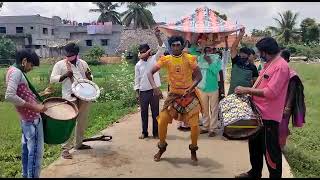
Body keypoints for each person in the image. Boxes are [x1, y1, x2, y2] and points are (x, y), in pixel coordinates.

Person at [234, 37, 290, 178]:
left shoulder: (281, 66)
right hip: (257, 114)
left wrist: (247, 90)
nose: (258, 55)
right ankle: (255, 172)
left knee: (271, 152)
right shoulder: (270, 63)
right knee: (255, 148)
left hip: (268, 117)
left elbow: (271, 93)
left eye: (260, 52)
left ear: (266, 52)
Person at [147, 35, 203, 162]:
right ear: (170, 47)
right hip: (173, 96)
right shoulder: (166, 60)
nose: (176, 47)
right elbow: (149, 72)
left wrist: (191, 87)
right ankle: (162, 147)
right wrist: (154, 87)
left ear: (182, 46)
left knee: (194, 126)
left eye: (178, 45)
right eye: (173, 45)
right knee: (162, 121)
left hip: (189, 95)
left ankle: (193, 149)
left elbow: (199, 76)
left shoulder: (189, 59)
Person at [5, 49, 47, 178]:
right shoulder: (17, 72)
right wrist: (35, 107)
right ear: (24, 61)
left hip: (26, 120)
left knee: (27, 152)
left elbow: (23, 93)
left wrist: (42, 94)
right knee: (35, 154)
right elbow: (10, 96)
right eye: (31, 65)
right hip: (32, 120)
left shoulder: (12, 70)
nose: (31, 68)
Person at [50, 42, 93, 159]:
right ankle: (65, 149)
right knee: (68, 122)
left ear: (76, 54)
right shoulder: (60, 65)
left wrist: (89, 77)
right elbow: (52, 79)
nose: (68, 57)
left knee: (82, 120)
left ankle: (79, 144)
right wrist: (64, 76)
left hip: (84, 96)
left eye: (71, 55)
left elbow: (90, 77)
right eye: (67, 55)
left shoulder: (83, 64)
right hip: (69, 97)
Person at [134, 27, 165, 139]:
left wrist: (157, 36)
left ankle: (156, 133)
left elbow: (162, 48)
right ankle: (144, 132)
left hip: (154, 90)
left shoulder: (154, 59)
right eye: (141, 52)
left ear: (148, 52)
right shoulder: (138, 64)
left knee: (156, 113)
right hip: (143, 91)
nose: (142, 54)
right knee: (143, 113)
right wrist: (137, 93)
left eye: (144, 52)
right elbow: (136, 79)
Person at [278, 49, 306, 151]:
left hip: (285, 104)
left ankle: (281, 147)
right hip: (277, 103)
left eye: (280, 58)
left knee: (283, 125)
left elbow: (293, 91)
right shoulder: (280, 70)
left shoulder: (291, 74)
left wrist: (288, 106)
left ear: (285, 59)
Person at [197, 47, 222, 137]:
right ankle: (205, 126)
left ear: (214, 51)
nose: (208, 52)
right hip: (202, 88)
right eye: (206, 50)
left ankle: (213, 129)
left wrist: (209, 62)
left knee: (214, 109)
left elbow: (216, 71)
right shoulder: (200, 59)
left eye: (210, 50)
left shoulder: (217, 59)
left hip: (213, 88)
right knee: (204, 109)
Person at [228, 28, 259, 95]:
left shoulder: (253, 67)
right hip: (232, 94)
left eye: (244, 55)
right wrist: (240, 35)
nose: (241, 56)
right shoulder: (236, 61)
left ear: (248, 56)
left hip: (245, 95)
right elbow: (233, 47)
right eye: (240, 54)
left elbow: (255, 82)